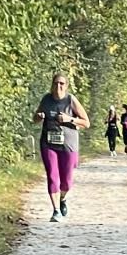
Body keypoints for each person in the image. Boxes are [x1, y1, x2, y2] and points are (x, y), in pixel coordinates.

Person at [32, 72, 89, 224]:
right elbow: (35, 119)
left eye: (62, 83)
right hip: (48, 143)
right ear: (52, 84)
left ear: (66, 86)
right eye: (56, 83)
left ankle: (62, 199)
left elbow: (86, 122)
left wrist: (69, 119)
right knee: (52, 176)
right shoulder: (46, 99)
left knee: (67, 181)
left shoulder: (70, 100)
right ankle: (56, 210)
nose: (59, 86)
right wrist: (39, 116)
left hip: (68, 144)